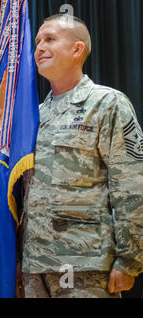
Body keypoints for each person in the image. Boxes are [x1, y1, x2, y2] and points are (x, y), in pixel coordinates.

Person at [20, 14, 143, 298]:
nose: (39, 47)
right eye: (37, 41)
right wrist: (18, 261)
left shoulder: (107, 103)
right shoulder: (33, 116)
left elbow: (132, 186)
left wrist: (129, 259)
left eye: (49, 39)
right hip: (35, 267)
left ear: (77, 49)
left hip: (85, 263)